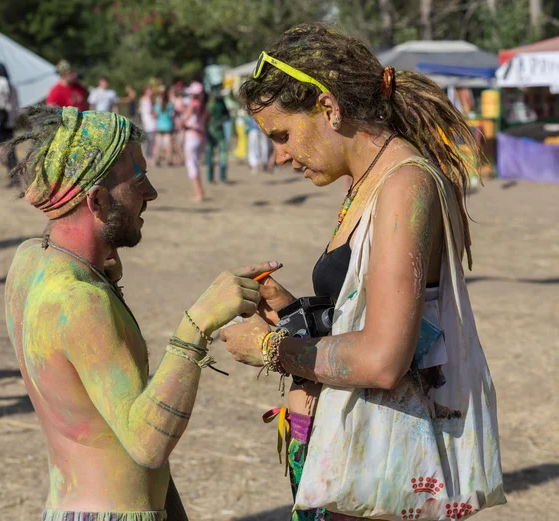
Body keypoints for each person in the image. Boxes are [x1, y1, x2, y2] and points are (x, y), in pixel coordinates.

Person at [221, 23, 504, 521]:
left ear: (328, 107)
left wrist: (271, 349)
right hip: (353, 456)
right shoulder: (367, 182)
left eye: (283, 135)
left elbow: (382, 358)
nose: (280, 155)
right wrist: (289, 308)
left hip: (385, 467)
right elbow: (364, 313)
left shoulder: (404, 187)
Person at [3, 105, 278, 521]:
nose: (151, 193)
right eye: (138, 181)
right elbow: (147, 444)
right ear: (96, 200)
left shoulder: (30, 263)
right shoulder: (81, 301)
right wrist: (198, 323)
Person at [182, 81, 208, 202]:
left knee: (192, 165)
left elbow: (184, 120)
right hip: (201, 137)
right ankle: (200, 191)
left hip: (192, 136)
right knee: (196, 164)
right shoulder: (205, 106)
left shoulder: (193, 105)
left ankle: (198, 193)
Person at [205, 87, 230, 183]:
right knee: (211, 155)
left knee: (222, 154)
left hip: (217, 131)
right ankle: (212, 177)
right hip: (211, 131)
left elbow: (226, 115)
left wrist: (221, 120)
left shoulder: (220, 102)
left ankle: (221, 177)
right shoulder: (210, 103)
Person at [153, 89, 175, 166]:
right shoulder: (170, 105)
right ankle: (169, 159)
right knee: (168, 144)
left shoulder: (158, 105)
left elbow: (155, 115)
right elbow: (172, 114)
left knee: (158, 144)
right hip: (168, 125)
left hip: (160, 126)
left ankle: (156, 159)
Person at [139, 85, 157, 161]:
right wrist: (157, 114)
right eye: (150, 90)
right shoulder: (145, 100)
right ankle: (149, 154)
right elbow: (150, 111)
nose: (151, 92)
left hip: (149, 122)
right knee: (151, 139)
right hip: (149, 122)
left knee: (150, 139)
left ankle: (149, 154)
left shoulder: (147, 100)